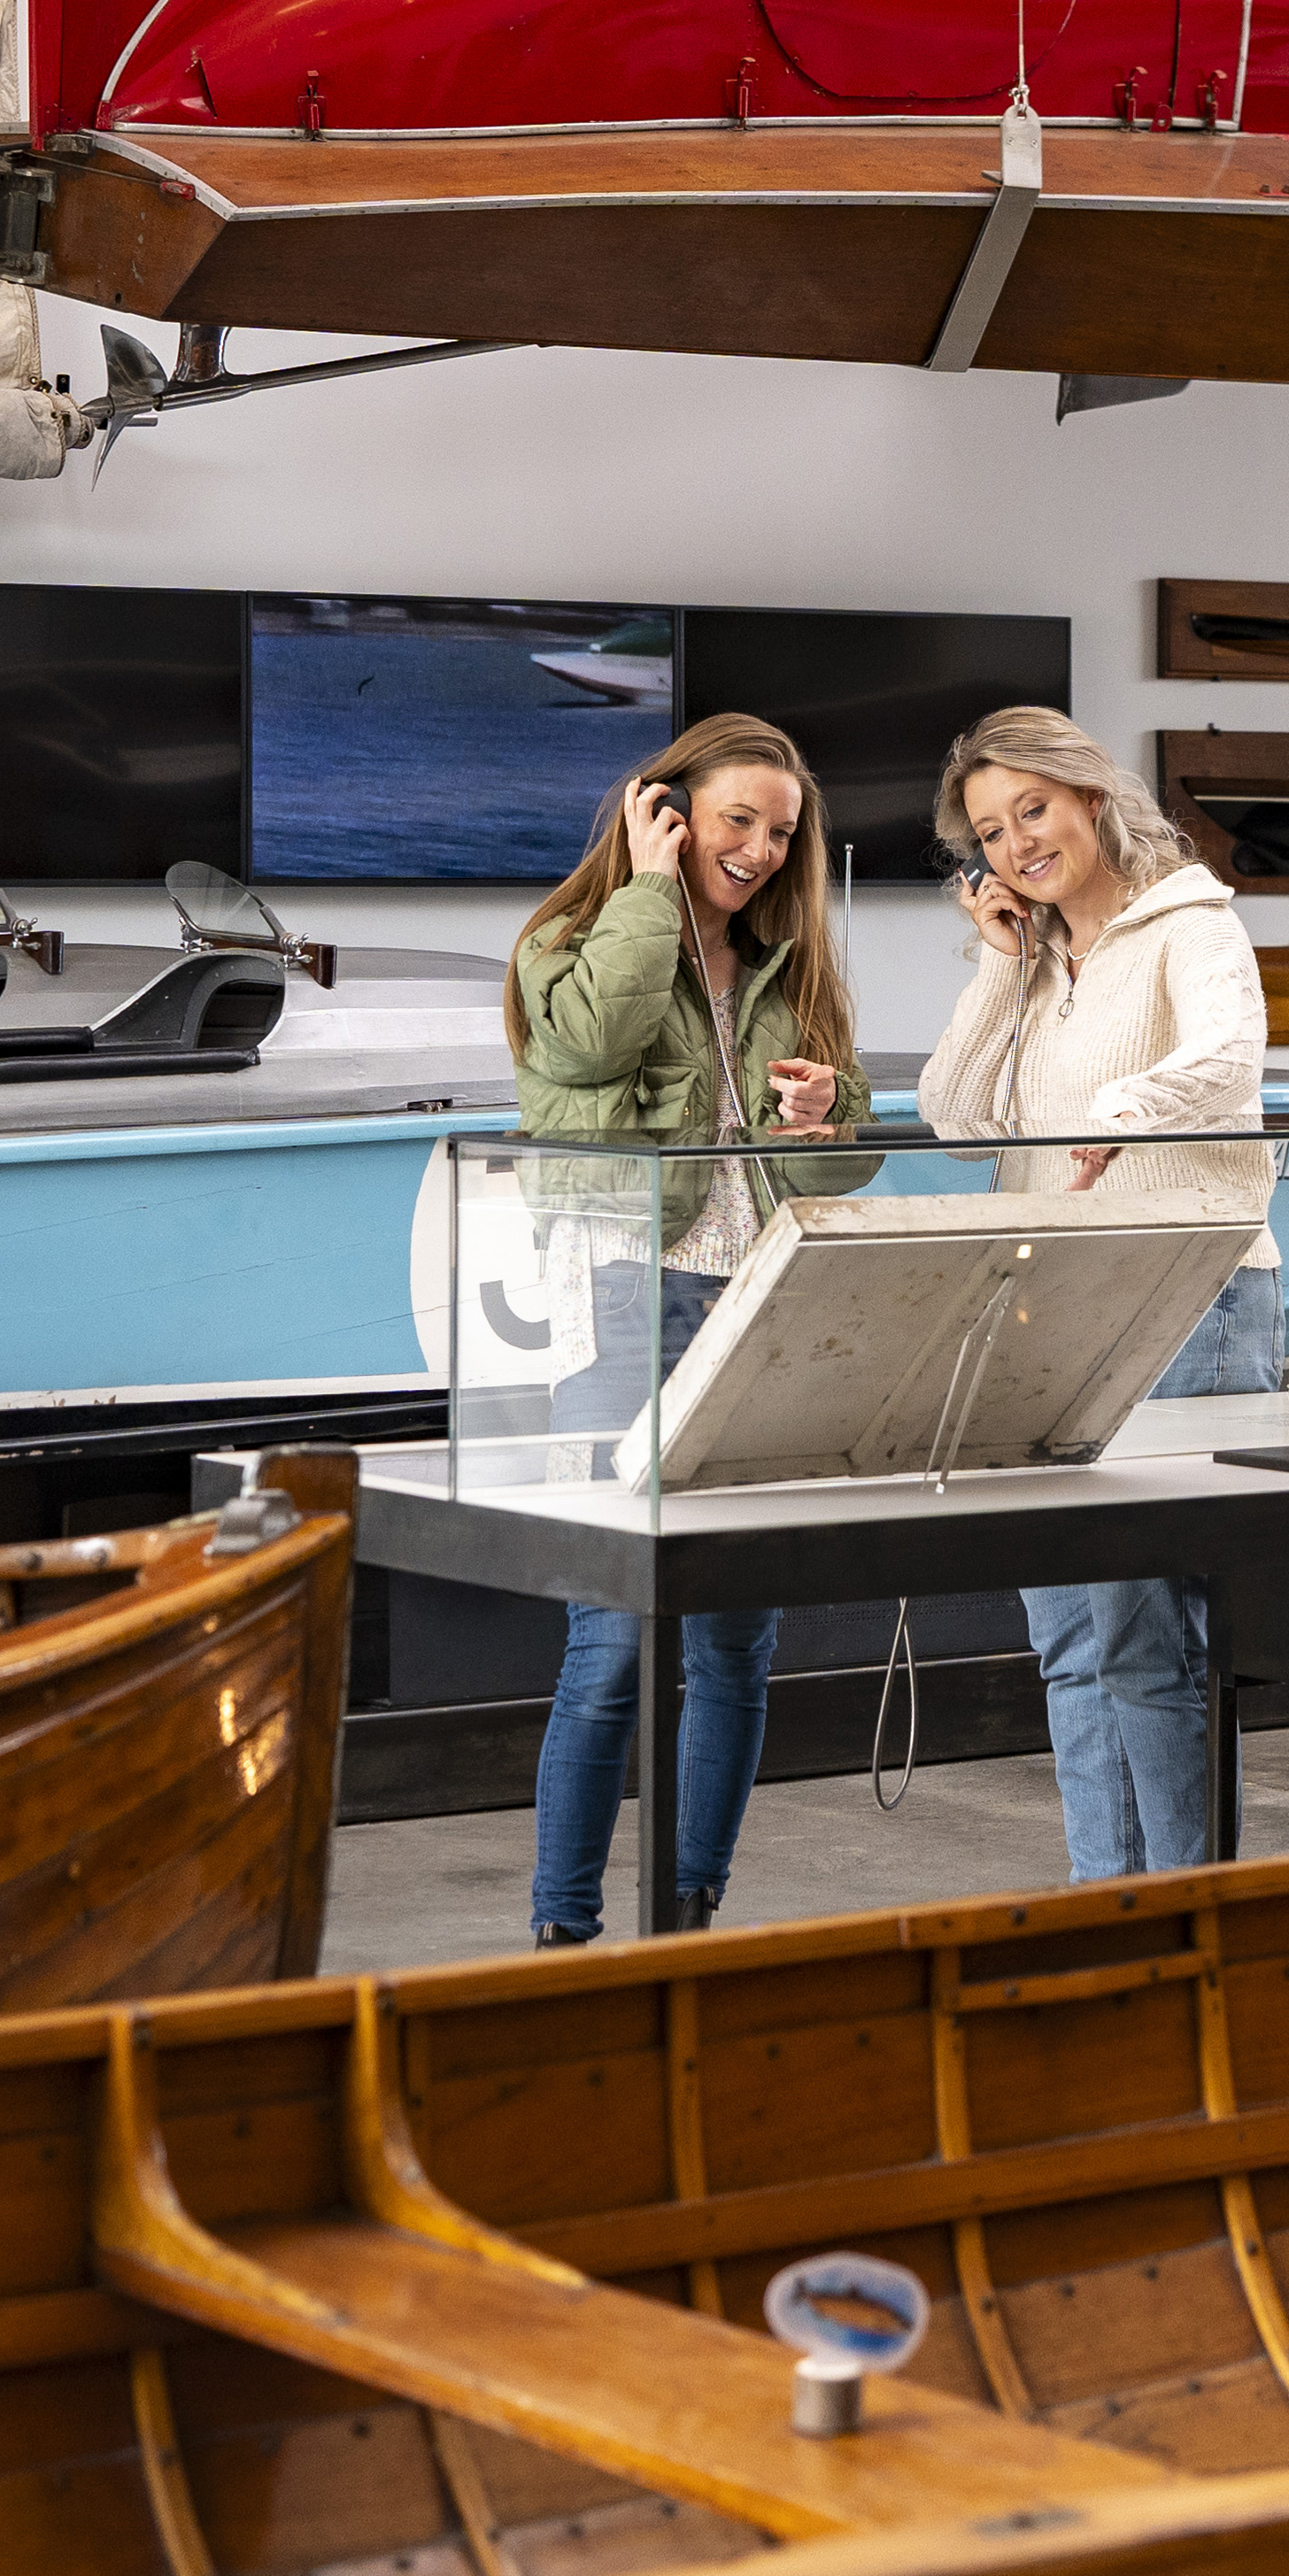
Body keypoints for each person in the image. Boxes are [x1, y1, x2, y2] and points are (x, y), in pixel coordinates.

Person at [507, 714, 872, 1941]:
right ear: (660, 816)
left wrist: (828, 1120)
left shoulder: (792, 969)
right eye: (737, 821)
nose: (765, 850)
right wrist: (647, 889)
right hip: (623, 1298)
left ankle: (690, 1912)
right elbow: (594, 1040)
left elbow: (843, 1165)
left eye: (782, 831)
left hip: (758, 1302)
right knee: (609, 1640)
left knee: (732, 1646)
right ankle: (565, 1932)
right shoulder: (566, 942)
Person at [919, 705, 1278, 1882]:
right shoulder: (1037, 960)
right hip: (1050, 1311)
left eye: (1033, 808)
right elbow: (956, 1117)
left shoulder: (1192, 924)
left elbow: (1224, 1062)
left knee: (1144, 1635)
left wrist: (1111, 1114)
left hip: (1184, 1299)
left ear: (1087, 798)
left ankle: (1185, 1904)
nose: (1019, 840)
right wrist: (999, 957)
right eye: (991, 829)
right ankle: (1098, 1895)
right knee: (1069, 1636)